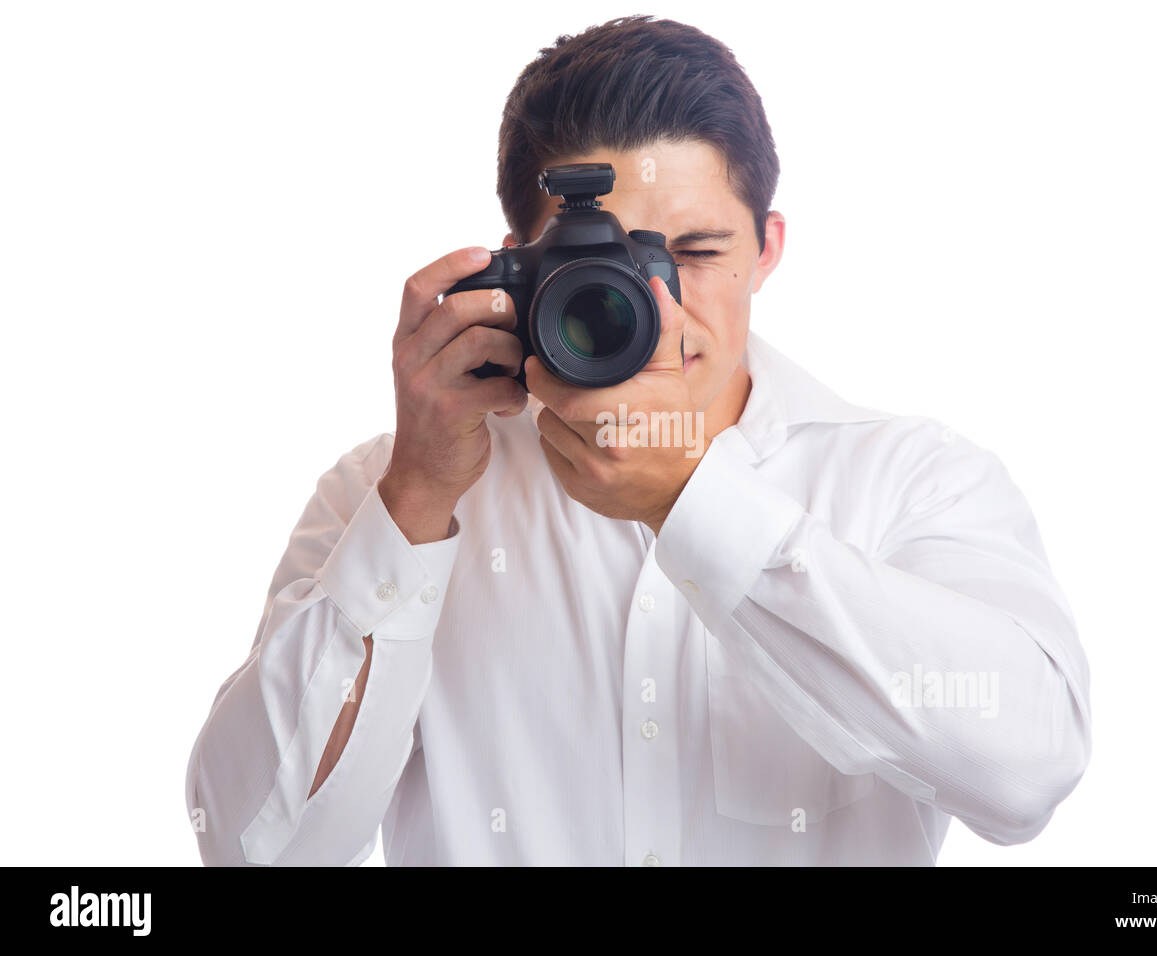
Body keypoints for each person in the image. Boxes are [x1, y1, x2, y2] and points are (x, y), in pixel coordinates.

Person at [185, 14, 1090, 866]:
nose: (652, 308)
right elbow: (258, 845)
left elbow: (1028, 771)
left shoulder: (909, 482)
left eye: (693, 253)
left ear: (767, 248)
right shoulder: (385, 493)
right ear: (521, 265)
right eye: (601, 265)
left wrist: (696, 506)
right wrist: (416, 499)